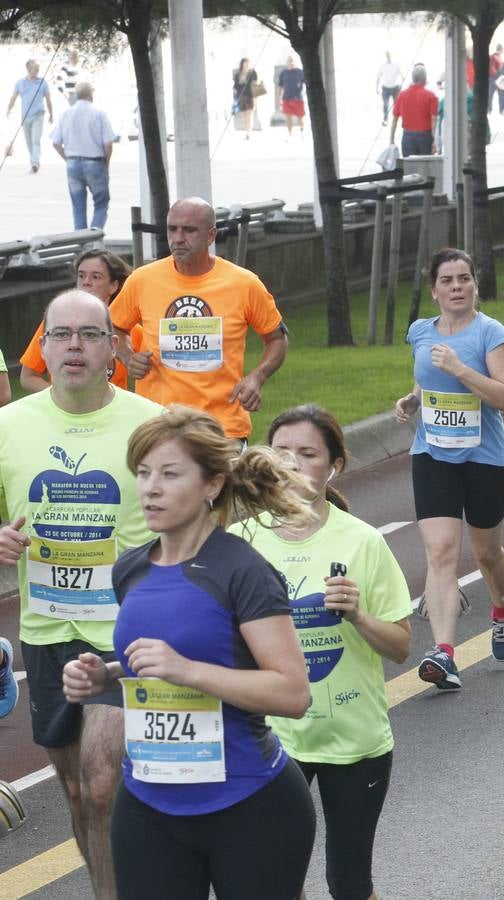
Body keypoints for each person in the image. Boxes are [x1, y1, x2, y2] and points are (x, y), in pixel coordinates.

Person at [60, 406, 316, 898]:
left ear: (212, 485)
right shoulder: (131, 569)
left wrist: (188, 670)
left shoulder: (243, 570)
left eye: (170, 474)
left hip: (248, 803)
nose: (151, 488)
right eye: (143, 472)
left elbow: (292, 691)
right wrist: (106, 678)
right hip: (148, 803)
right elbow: (155, 668)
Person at [0, 290, 162, 899]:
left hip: (125, 629)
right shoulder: (9, 425)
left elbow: (196, 509)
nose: (75, 346)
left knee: (102, 781)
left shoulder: (150, 422)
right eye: (61, 334)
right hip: (45, 631)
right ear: (41, 346)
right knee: (73, 791)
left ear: (112, 348)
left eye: (90, 335)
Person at [232, 405, 411, 900]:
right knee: (272, 879)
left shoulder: (363, 542)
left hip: (354, 739)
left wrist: (358, 615)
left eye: (307, 454)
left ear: (334, 466)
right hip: (272, 742)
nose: (292, 465)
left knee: (349, 884)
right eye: (281, 453)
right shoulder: (241, 542)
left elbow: (399, 647)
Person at [393, 249, 504, 691]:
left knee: (486, 554)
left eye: (464, 278)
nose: (456, 287)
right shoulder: (420, 332)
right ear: (434, 291)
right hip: (432, 455)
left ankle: (502, 606)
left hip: (485, 459)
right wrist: (412, 399)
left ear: (475, 285)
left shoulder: (491, 334)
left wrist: (462, 369)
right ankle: (444, 653)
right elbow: (426, 377)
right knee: (442, 552)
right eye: (447, 281)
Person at [110, 197, 288, 443]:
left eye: (189, 230)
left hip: (221, 428)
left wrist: (257, 377)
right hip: (159, 424)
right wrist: (127, 356)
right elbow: (113, 326)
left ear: (211, 235)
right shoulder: (143, 280)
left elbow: (277, 338)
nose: (178, 238)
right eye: (172, 229)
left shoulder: (244, 284)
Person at [20, 250, 140, 393]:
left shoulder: (129, 329)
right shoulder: (56, 322)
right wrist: (64, 399)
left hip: (112, 411)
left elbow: (154, 372)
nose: (86, 282)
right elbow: (28, 377)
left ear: (113, 286)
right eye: (81, 275)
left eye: (96, 277)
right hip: (65, 412)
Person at [49, 82, 116, 231]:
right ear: (90, 94)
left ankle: (81, 242)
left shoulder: (66, 114)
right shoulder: (99, 113)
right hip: (95, 163)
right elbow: (108, 144)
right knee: (101, 203)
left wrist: (67, 158)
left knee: (78, 207)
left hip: (73, 164)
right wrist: (106, 162)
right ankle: (94, 236)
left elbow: (55, 143)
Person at [7, 59, 53, 173]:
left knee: (35, 140)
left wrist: (51, 114)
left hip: (39, 115)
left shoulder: (43, 82)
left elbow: (48, 99)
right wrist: (9, 108)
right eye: (35, 69)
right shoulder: (20, 83)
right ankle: (33, 162)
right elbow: (14, 97)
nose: (38, 71)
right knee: (29, 142)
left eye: (38, 69)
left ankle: (35, 163)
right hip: (25, 117)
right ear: (28, 69)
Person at [389, 64, 439, 157]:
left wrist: (391, 139)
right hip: (425, 138)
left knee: (409, 168)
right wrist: (434, 141)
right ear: (424, 80)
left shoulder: (402, 95)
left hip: (407, 136)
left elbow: (395, 119)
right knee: (424, 169)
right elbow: (434, 120)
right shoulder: (431, 96)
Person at [276, 56, 305, 137]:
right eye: (289, 61)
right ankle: (290, 134)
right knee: (288, 117)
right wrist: (279, 98)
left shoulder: (299, 72)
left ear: (295, 62)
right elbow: (280, 86)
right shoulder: (283, 73)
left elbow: (305, 83)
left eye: (292, 61)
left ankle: (302, 132)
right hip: (286, 98)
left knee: (300, 116)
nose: (291, 63)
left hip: (298, 98)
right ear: (286, 63)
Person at [232, 59, 260, 137]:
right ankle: (246, 130)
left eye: (248, 63)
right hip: (241, 97)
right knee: (244, 116)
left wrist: (255, 98)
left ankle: (248, 133)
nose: (247, 64)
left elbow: (255, 84)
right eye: (245, 63)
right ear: (242, 64)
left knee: (249, 115)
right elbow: (236, 87)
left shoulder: (252, 73)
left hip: (250, 96)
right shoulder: (237, 75)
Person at [376, 51, 402, 125]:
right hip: (385, 88)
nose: (388, 57)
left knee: (396, 105)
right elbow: (378, 78)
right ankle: (385, 119)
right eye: (387, 55)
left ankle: (396, 119)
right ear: (385, 56)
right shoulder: (382, 66)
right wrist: (377, 88)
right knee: (386, 104)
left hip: (395, 88)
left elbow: (401, 76)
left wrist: (400, 84)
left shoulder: (396, 65)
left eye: (389, 55)